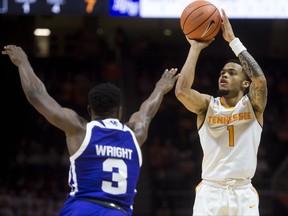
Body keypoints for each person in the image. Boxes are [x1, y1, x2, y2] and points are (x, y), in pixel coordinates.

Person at [2, 44, 179, 216]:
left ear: (89, 109)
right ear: (120, 111)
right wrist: (160, 88)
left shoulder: (80, 130)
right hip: (118, 212)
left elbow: (37, 95)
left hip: (81, 209)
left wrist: (23, 62)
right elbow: (147, 110)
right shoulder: (134, 134)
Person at [175, 9, 268, 216]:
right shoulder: (208, 105)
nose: (224, 75)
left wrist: (233, 41)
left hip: (242, 192)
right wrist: (195, 48)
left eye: (231, 73)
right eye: (222, 73)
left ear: (245, 83)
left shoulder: (253, 106)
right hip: (211, 191)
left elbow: (260, 80)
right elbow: (181, 91)